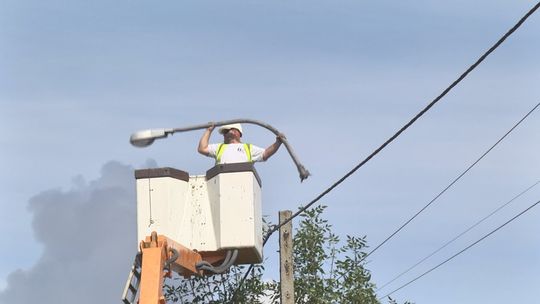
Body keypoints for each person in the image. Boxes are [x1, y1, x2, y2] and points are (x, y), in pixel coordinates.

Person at [198, 123, 284, 164]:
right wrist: (208, 130)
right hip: (223, 182)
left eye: (226, 131)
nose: (224, 134)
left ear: (236, 132)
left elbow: (265, 154)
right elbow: (202, 149)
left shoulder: (248, 148)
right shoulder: (219, 147)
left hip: (243, 184)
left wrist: (278, 143)